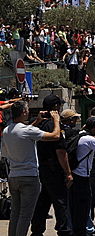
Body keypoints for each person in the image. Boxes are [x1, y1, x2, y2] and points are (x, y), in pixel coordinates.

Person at [1, 101, 62, 236]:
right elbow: (55, 136)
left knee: (15, 213)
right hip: (29, 176)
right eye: (27, 109)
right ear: (23, 112)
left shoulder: (7, 130)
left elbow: (21, 135)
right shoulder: (28, 130)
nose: (29, 112)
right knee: (25, 214)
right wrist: (56, 120)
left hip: (13, 176)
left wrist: (37, 121)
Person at [30, 95, 73, 236]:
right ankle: (64, 230)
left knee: (43, 201)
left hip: (41, 169)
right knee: (61, 202)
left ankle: (37, 230)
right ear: (55, 107)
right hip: (54, 169)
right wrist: (67, 172)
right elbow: (60, 151)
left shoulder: (38, 124)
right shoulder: (54, 126)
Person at [71, 117, 95, 236]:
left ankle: (77, 228)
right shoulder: (89, 139)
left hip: (74, 173)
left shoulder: (80, 135)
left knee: (75, 204)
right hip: (82, 175)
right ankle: (84, 230)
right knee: (84, 204)